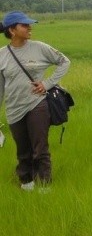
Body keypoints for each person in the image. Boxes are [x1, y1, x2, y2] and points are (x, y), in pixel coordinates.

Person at [0, 11, 70, 191]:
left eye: (29, 24)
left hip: (37, 104)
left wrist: (47, 84)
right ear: (12, 30)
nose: (30, 27)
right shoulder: (2, 55)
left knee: (40, 147)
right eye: (24, 25)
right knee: (23, 150)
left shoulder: (39, 47)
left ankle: (45, 186)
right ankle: (26, 182)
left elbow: (64, 62)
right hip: (14, 109)